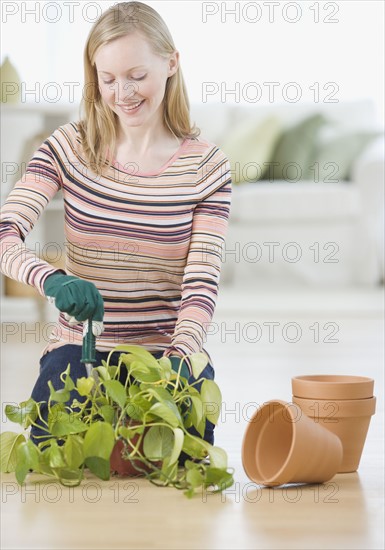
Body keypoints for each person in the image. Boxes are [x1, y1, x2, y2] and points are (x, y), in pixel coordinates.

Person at [0, 1, 232, 458]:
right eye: (107, 79)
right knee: (54, 451)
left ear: (171, 63)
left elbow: (201, 283)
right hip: (81, 352)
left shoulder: (207, 167)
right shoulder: (69, 147)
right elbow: (6, 232)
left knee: (188, 455)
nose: (122, 92)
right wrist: (51, 279)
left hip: (162, 357)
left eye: (136, 75)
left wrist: (182, 357)